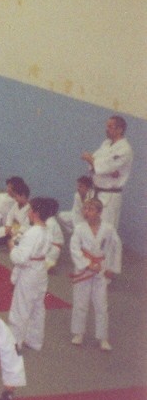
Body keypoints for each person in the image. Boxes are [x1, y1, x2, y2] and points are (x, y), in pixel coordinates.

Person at [69, 198, 121, 351]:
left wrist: (112, 268)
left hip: (101, 270)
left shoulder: (108, 228)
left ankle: (103, 338)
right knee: (80, 302)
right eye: (85, 209)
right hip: (84, 269)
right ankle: (78, 333)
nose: (86, 212)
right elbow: (74, 248)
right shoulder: (79, 228)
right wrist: (87, 264)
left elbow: (116, 248)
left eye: (90, 209)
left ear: (99, 212)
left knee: (101, 305)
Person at [7, 197, 56, 352]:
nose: (28, 212)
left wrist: (12, 247)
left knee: (20, 307)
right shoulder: (47, 230)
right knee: (37, 307)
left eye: (30, 210)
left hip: (29, 273)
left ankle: (14, 342)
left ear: (35, 213)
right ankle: (34, 340)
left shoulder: (33, 232)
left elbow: (20, 258)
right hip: (40, 271)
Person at [81, 115, 132, 263]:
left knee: (107, 232)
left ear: (120, 129)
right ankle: (90, 262)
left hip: (109, 195)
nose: (107, 129)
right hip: (96, 191)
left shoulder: (125, 149)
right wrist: (97, 164)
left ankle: (107, 267)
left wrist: (95, 162)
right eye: (107, 126)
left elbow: (102, 165)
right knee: (91, 227)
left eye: (110, 126)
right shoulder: (106, 143)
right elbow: (96, 164)